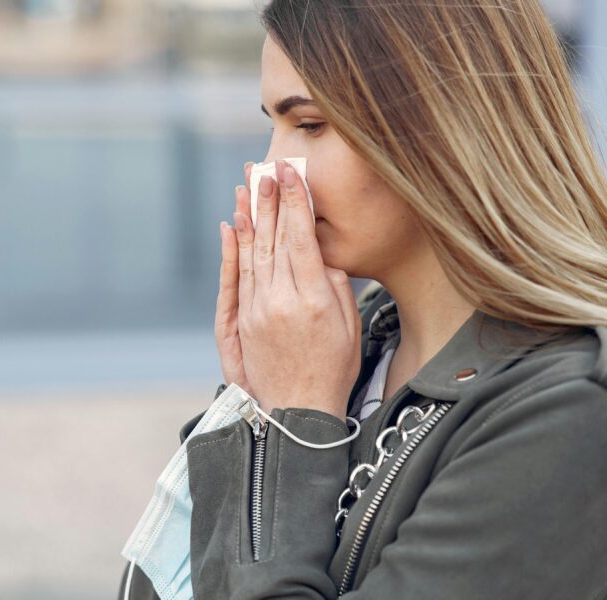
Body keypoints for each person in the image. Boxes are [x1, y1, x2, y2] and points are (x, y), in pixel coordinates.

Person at [119, 0, 607, 598]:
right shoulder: (345, 349)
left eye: (310, 125)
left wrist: (292, 422)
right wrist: (255, 405)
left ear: (445, 129)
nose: (270, 169)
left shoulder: (568, 411)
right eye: (273, 126)